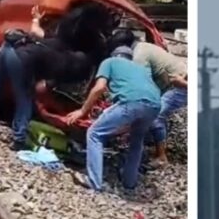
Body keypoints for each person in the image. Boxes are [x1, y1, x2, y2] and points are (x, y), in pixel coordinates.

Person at [0, 6, 90, 150]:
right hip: (21, 59)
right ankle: (19, 139)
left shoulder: (54, 41)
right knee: (25, 97)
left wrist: (36, 18)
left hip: (8, 48)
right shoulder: (64, 62)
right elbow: (43, 86)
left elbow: (36, 31)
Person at [67, 46, 161, 192]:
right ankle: (129, 183)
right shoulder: (141, 69)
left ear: (115, 55)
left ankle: (94, 182)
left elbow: (99, 88)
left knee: (94, 133)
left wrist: (82, 110)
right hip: (155, 105)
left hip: (132, 101)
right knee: (136, 141)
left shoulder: (109, 62)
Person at [109, 29, 188, 165]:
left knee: (155, 115)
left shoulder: (139, 56)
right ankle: (152, 140)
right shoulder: (143, 46)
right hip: (171, 82)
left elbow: (142, 84)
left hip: (178, 85)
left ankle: (161, 156)